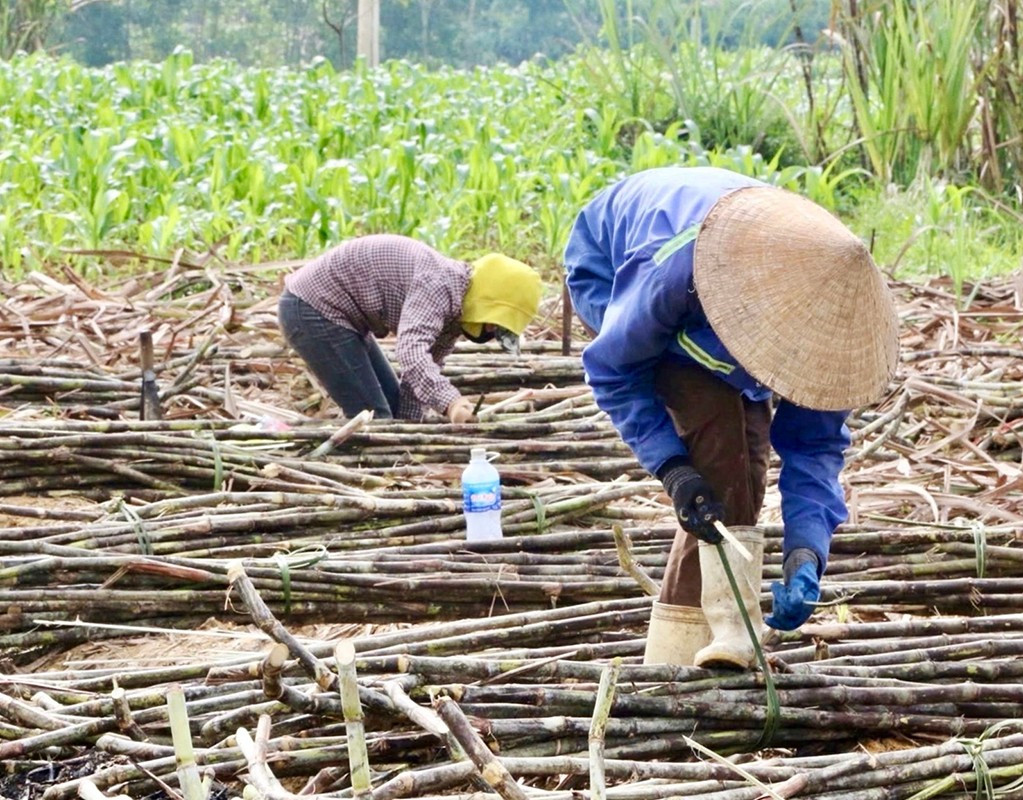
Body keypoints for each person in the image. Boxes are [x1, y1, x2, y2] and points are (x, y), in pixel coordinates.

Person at [564, 166, 898, 669]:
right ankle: (678, 658)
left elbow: (813, 448)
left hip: (709, 279)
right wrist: (672, 468)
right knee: (720, 459)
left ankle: (716, 641)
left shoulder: (827, 323)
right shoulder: (682, 272)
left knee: (748, 470)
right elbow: (613, 370)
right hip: (615, 268)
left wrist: (806, 554)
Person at [278, 234, 542, 423]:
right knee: (375, 420)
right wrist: (451, 402)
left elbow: (422, 373)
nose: (491, 332)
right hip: (312, 309)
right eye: (495, 324)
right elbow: (411, 352)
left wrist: (410, 429)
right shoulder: (439, 285)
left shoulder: (455, 312)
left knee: (394, 412)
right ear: (488, 303)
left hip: (342, 321)